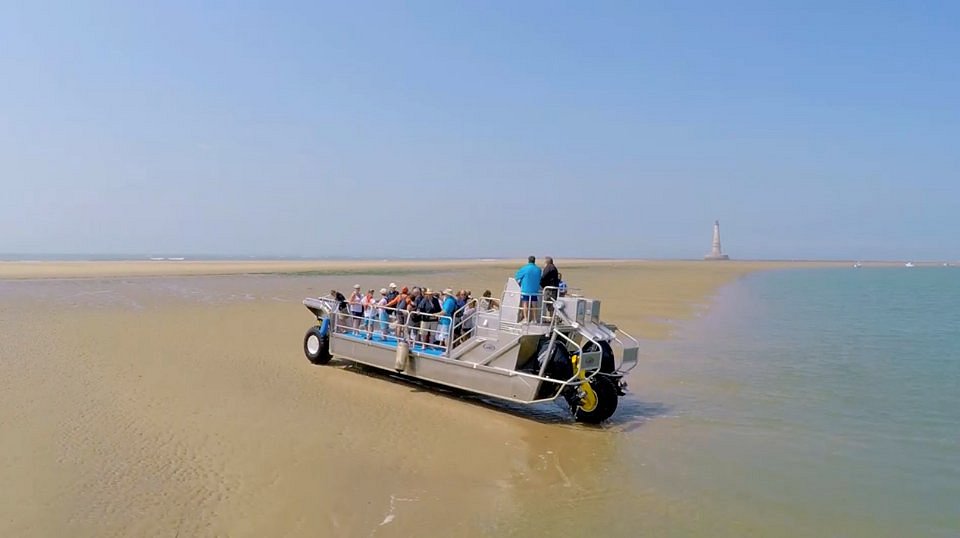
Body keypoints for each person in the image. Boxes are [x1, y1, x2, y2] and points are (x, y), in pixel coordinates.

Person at [514, 255, 542, 322]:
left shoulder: (525, 268)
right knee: (534, 305)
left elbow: (517, 277)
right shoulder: (538, 269)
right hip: (535, 290)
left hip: (526, 290)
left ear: (528, 260)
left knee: (525, 304)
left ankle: (526, 319)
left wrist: (520, 284)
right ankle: (535, 319)